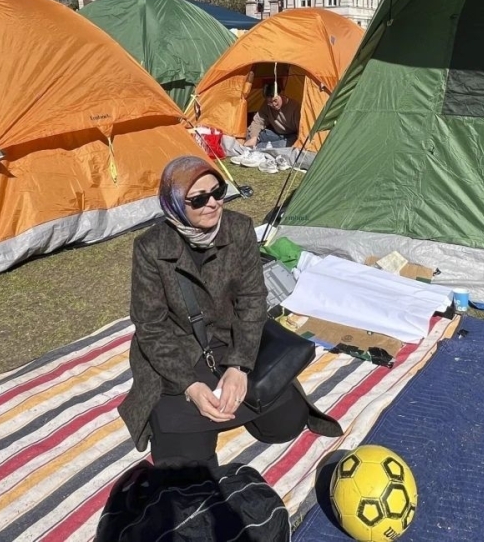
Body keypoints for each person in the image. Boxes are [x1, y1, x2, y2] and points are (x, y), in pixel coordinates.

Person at [118, 155, 341, 468]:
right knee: (185, 463)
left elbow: (253, 299)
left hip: (231, 340)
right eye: (198, 199)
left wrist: (240, 366)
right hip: (180, 352)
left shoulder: (239, 228)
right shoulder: (151, 247)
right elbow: (150, 326)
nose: (212, 203)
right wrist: (190, 386)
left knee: (285, 425)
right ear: (175, 204)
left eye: (218, 191)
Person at [243, 83, 300, 148]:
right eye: (269, 102)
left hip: (291, 136)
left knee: (289, 143)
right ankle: (264, 146)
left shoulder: (295, 107)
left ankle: (261, 147)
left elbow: (301, 130)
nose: (273, 104)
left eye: (275, 101)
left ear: (281, 94)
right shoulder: (267, 106)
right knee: (251, 133)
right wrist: (254, 137)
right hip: (275, 134)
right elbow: (257, 122)